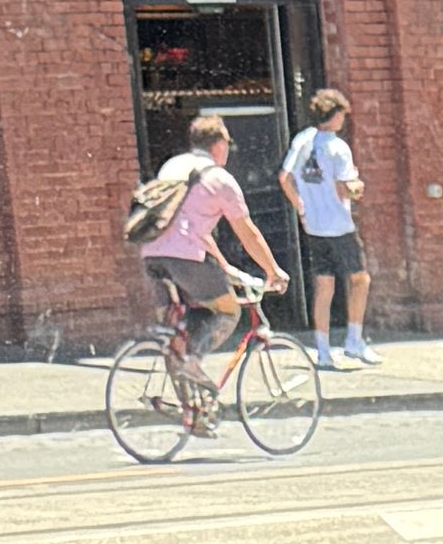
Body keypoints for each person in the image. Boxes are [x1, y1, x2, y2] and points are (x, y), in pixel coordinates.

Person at [135, 109, 282, 425]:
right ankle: (193, 363)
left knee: (176, 334)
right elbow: (247, 232)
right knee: (229, 310)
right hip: (184, 259)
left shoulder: (172, 166)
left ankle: (192, 412)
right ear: (219, 145)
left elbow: (189, 228)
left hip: (152, 256)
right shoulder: (220, 179)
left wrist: (225, 266)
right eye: (228, 143)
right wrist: (272, 270)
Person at [279, 89, 371, 367]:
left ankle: (323, 350)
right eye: (341, 114)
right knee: (360, 280)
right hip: (339, 225)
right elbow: (344, 189)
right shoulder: (338, 148)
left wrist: (301, 207)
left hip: (315, 226)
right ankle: (354, 340)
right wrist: (357, 188)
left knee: (324, 286)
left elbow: (284, 178)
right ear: (334, 116)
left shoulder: (303, 140)